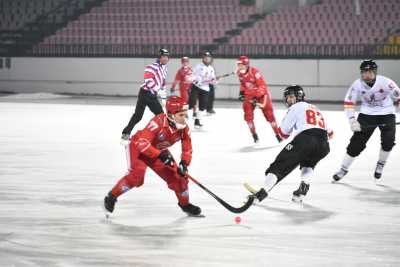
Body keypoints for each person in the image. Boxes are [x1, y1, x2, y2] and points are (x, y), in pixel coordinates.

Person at [104, 96, 202, 216]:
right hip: (137, 148)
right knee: (137, 177)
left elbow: (187, 149)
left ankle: (185, 204)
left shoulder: (184, 129)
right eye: (181, 115)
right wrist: (160, 155)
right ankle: (112, 196)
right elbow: (142, 143)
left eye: (185, 115)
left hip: (157, 150)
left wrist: (184, 163)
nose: (185, 119)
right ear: (171, 115)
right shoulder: (157, 122)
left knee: (180, 178)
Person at [248, 85, 332, 203]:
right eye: (287, 98)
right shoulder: (315, 108)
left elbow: (283, 133)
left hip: (306, 140)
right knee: (308, 163)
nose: (289, 100)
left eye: (291, 97)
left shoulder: (295, 107)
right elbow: (330, 133)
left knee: (278, 166)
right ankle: (303, 189)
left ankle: (261, 193)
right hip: (324, 144)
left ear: (299, 97)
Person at [333, 60, 400, 181]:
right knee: (356, 144)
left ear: (374, 72)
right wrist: (352, 120)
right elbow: (349, 102)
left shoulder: (386, 82)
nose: (366, 75)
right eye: (364, 72)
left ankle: (380, 165)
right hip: (367, 115)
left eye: (369, 72)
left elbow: (398, 96)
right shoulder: (357, 84)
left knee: (388, 142)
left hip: (387, 113)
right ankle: (343, 169)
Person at [121, 48, 169, 143]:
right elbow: (148, 80)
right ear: (159, 57)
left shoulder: (165, 69)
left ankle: (160, 136)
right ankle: (125, 133)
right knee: (138, 116)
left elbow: (162, 81)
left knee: (161, 116)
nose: (165, 58)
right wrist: (158, 91)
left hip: (153, 95)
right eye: (163, 56)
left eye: (167, 56)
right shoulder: (151, 67)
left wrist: (163, 95)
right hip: (145, 93)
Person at [236, 56, 281, 143]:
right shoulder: (239, 73)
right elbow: (243, 84)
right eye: (238, 65)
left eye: (241, 65)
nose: (239, 67)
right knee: (248, 115)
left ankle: (277, 134)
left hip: (262, 95)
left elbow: (262, 86)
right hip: (249, 95)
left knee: (270, 115)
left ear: (246, 65)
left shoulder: (255, 72)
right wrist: (241, 92)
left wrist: (257, 97)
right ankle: (254, 135)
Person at [189, 51, 217, 128]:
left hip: (205, 89)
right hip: (196, 87)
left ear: (210, 59)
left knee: (202, 107)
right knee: (192, 100)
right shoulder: (198, 66)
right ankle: (186, 114)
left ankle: (197, 121)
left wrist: (215, 80)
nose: (207, 59)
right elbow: (192, 74)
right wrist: (193, 79)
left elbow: (212, 79)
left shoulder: (211, 68)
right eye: (205, 57)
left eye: (208, 58)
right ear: (203, 58)